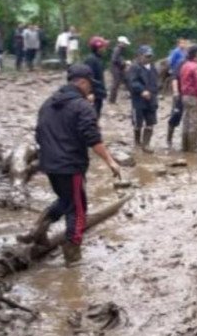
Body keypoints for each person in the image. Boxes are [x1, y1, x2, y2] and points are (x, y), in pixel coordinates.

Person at [18, 64, 121, 265]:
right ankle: (72, 254)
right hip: (70, 165)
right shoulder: (82, 107)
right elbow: (92, 138)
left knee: (66, 200)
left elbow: (39, 132)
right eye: (90, 84)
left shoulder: (48, 103)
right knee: (78, 208)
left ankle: (37, 231)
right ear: (82, 82)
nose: (91, 89)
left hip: (49, 164)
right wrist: (111, 161)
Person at [128, 45, 160, 153]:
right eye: (146, 56)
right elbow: (132, 83)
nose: (148, 58)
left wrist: (155, 93)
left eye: (150, 56)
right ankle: (137, 143)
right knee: (138, 123)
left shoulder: (153, 67)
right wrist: (142, 90)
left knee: (151, 122)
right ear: (140, 56)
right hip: (138, 100)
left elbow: (155, 82)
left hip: (152, 99)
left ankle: (146, 144)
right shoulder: (134, 67)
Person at [179, 45, 197, 152]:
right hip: (194, 97)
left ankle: (184, 147)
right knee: (194, 122)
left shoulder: (184, 65)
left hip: (184, 96)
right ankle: (193, 148)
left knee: (186, 121)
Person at [166, 38, 189, 148]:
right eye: (182, 43)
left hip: (190, 94)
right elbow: (174, 76)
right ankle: (169, 139)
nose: (184, 45)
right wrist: (175, 91)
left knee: (189, 119)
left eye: (185, 43)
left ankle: (186, 143)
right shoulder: (179, 57)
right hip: (180, 90)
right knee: (176, 115)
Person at [84, 36, 109, 118]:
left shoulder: (98, 59)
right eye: (103, 47)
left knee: (97, 114)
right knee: (92, 115)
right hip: (94, 94)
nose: (104, 49)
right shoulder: (91, 60)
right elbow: (88, 77)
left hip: (98, 93)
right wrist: (90, 92)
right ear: (98, 48)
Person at [109, 36, 130, 104]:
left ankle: (113, 99)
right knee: (116, 83)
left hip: (118, 68)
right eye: (125, 44)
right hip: (116, 69)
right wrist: (124, 62)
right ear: (121, 43)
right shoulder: (117, 49)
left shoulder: (119, 50)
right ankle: (112, 100)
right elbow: (114, 59)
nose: (126, 45)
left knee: (125, 80)